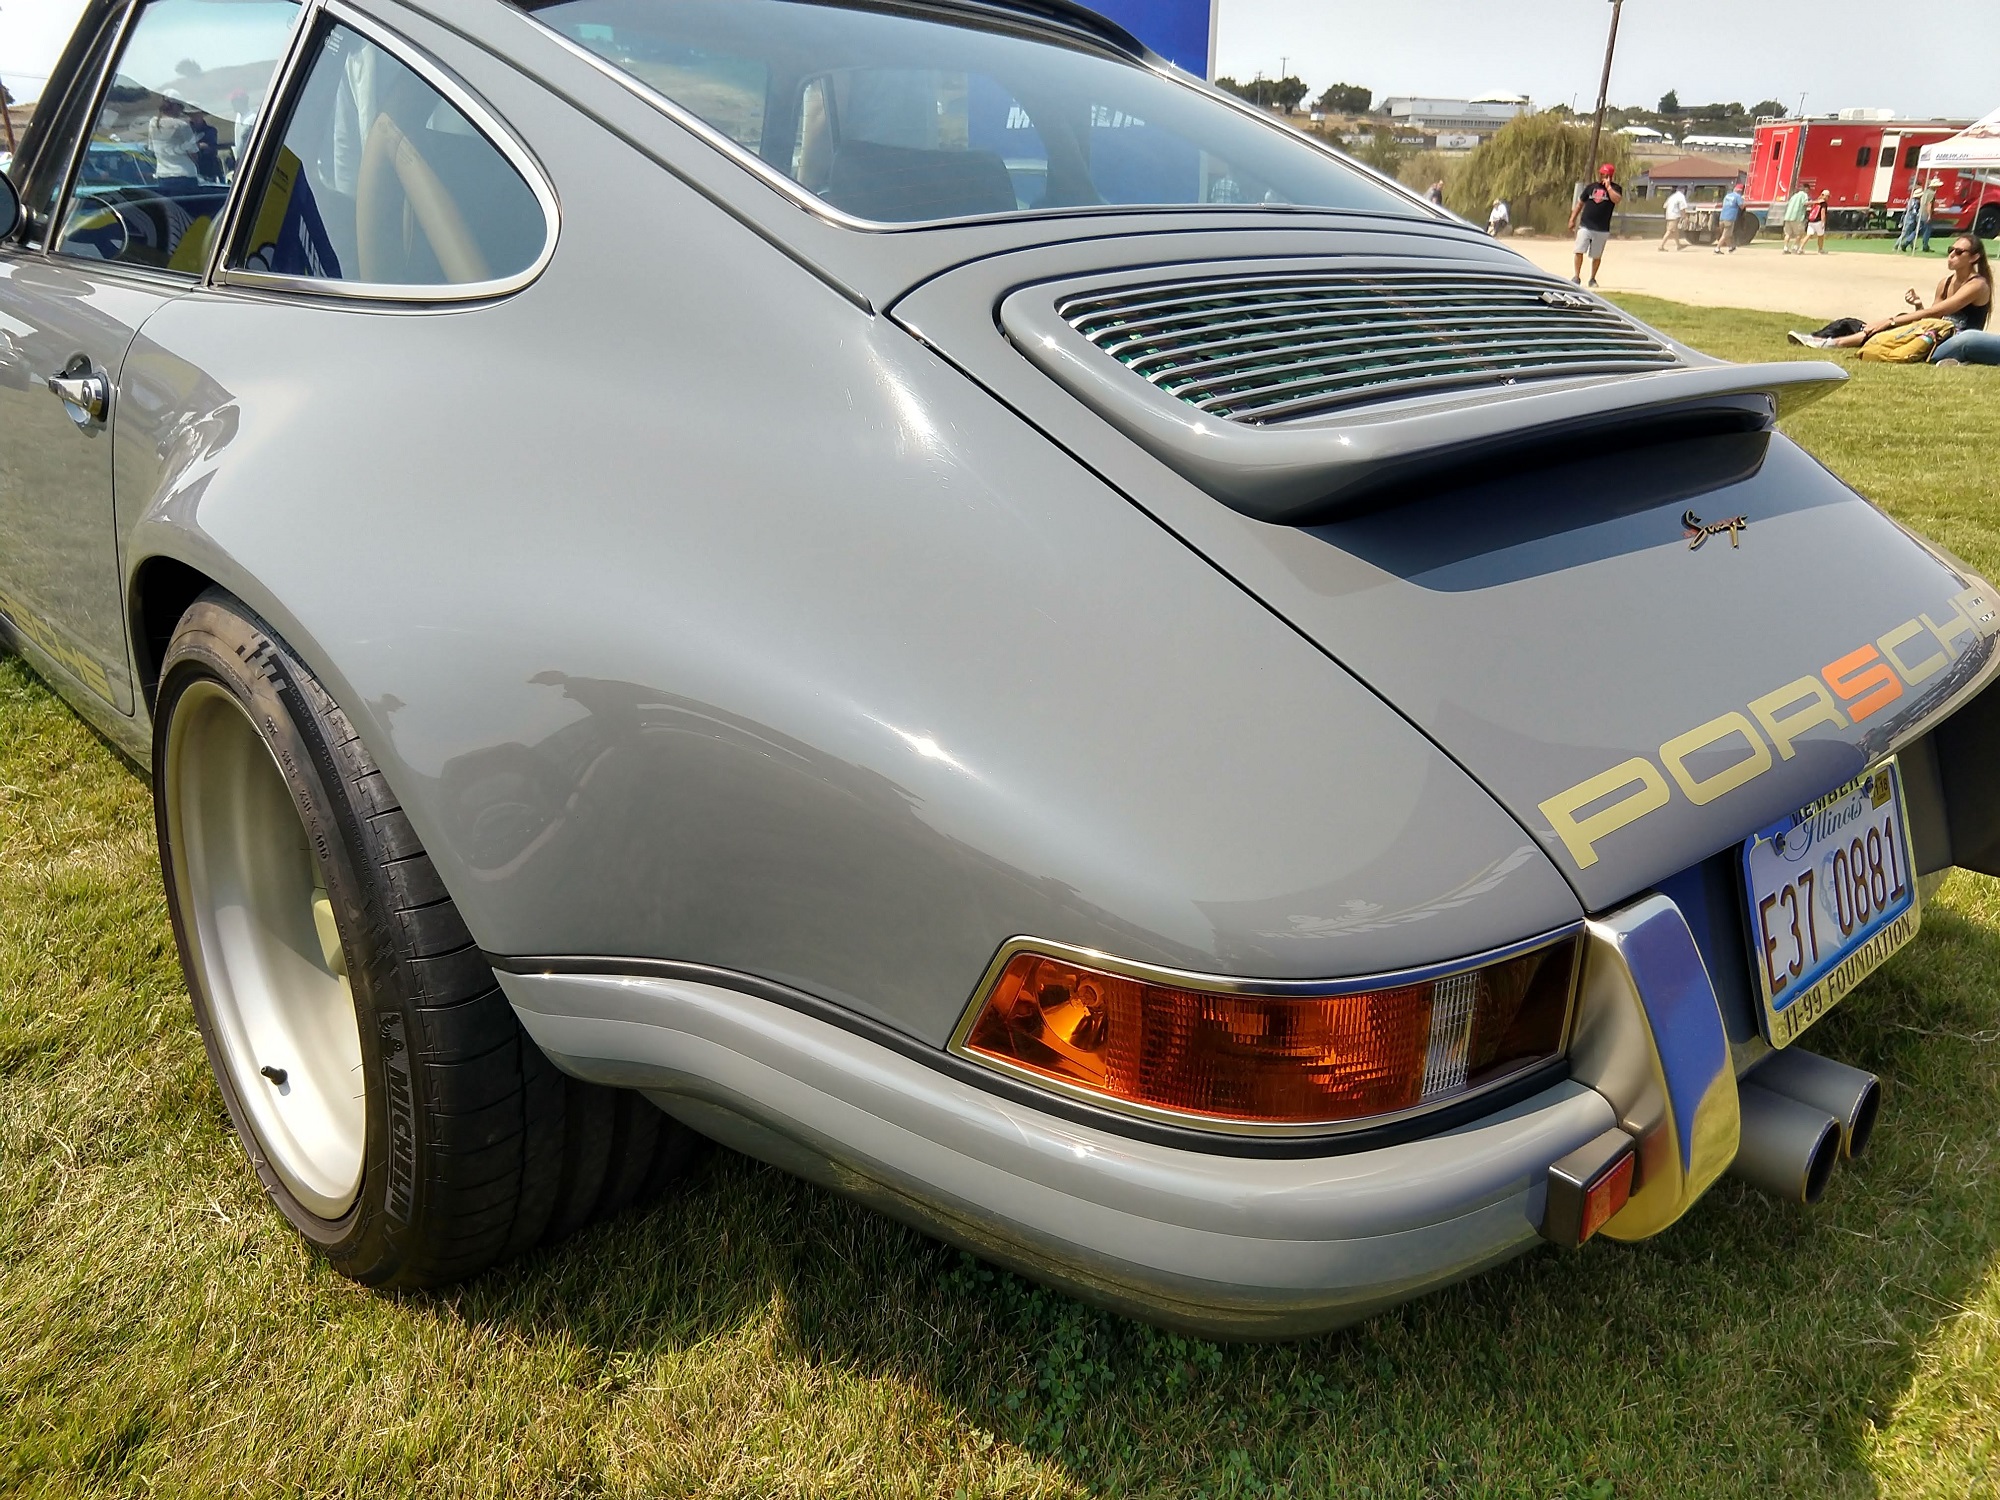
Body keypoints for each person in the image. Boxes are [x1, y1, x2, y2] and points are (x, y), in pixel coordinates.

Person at [1787, 235, 1990, 358]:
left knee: (1893, 326)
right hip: (1934, 330)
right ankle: (1817, 337)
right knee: (1851, 322)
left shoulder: (1977, 285)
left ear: (1974, 257)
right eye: (1950, 250)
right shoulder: (1945, 283)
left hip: (1954, 339)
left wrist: (1890, 320)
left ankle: (1833, 343)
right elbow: (1931, 318)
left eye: (1959, 252)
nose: (1951, 255)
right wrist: (1919, 306)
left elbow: (1940, 311)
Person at [1568, 163, 1622, 286]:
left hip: (1602, 228)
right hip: (1585, 225)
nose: (1603, 177)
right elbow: (1580, 204)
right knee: (1579, 250)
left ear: (1611, 176)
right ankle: (1576, 276)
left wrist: (1608, 187)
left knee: (1596, 256)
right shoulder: (1591, 187)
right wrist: (1572, 219)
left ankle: (1592, 278)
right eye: (1602, 174)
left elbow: (1617, 199)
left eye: (1606, 175)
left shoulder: (1616, 188)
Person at [148, 93, 199, 180]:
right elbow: (193, 153)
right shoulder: (182, 125)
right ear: (174, 106)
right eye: (180, 107)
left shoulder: (152, 123)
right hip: (184, 174)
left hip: (162, 174)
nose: (181, 110)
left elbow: (152, 149)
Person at [1714, 180, 1744, 253]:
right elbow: (1742, 207)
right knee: (1725, 235)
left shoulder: (1727, 196)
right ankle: (1717, 248)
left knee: (1727, 234)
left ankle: (1730, 247)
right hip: (1730, 218)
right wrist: (1743, 200)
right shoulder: (1738, 197)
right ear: (1740, 191)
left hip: (1722, 217)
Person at [1782, 183, 1809, 254]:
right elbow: (1805, 203)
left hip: (1788, 216)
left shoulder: (1794, 196)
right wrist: (1815, 202)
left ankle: (1785, 248)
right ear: (1806, 189)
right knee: (1799, 234)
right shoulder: (1804, 195)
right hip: (1797, 217)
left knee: (1788, 234)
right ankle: (1795, 247)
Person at [1895, 182, 1921, 251]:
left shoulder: (1911, 201)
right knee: (1905, 234)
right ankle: (1896, 245)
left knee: (1908, 233)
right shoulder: (1915, 202)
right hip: (1910, 219)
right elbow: (1914, 212)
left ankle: (1912, 246)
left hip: (1907, 218)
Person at [1918, 176, 1940, 253]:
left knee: (1918, 230)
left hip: (1921, 212)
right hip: (1926, 213)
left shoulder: (1925, 192)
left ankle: (1907, 242)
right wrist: (1929, 215)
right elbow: (1929, 204)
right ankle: (1925, 246)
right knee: (1927, 230)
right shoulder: (1932, 193)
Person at [1804, 189, 1829, 254]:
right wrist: (1823, 222)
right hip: (1818, 221)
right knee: (1821, 236)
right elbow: (1822, 213)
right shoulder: (1823, 203)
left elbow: (1807, 204)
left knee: (1808, 235)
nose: (1828, 198)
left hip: (1811, 221)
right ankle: (1820, 250)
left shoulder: (1816, 201)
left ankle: (1800, 248)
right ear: (1823, 195)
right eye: (1827, 196)